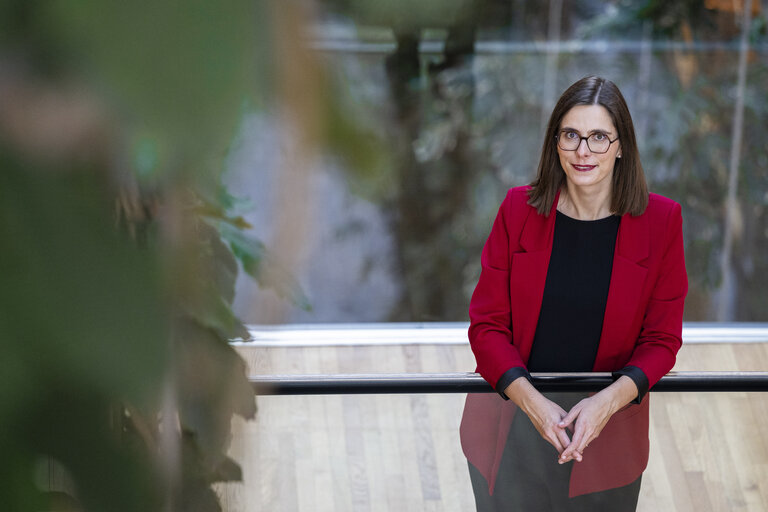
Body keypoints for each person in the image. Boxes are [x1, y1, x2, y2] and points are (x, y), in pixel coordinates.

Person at [459, 75, 688, 511]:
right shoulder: (517, 210)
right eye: (571, 135)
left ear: (622, 145)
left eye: (599, 137)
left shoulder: (662, 221)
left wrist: (606, 403)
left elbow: (662, 341)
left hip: (608, 434)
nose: (583, 151)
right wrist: (533, 403)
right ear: (555, 142)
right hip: (512, 428)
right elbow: (487, 327)